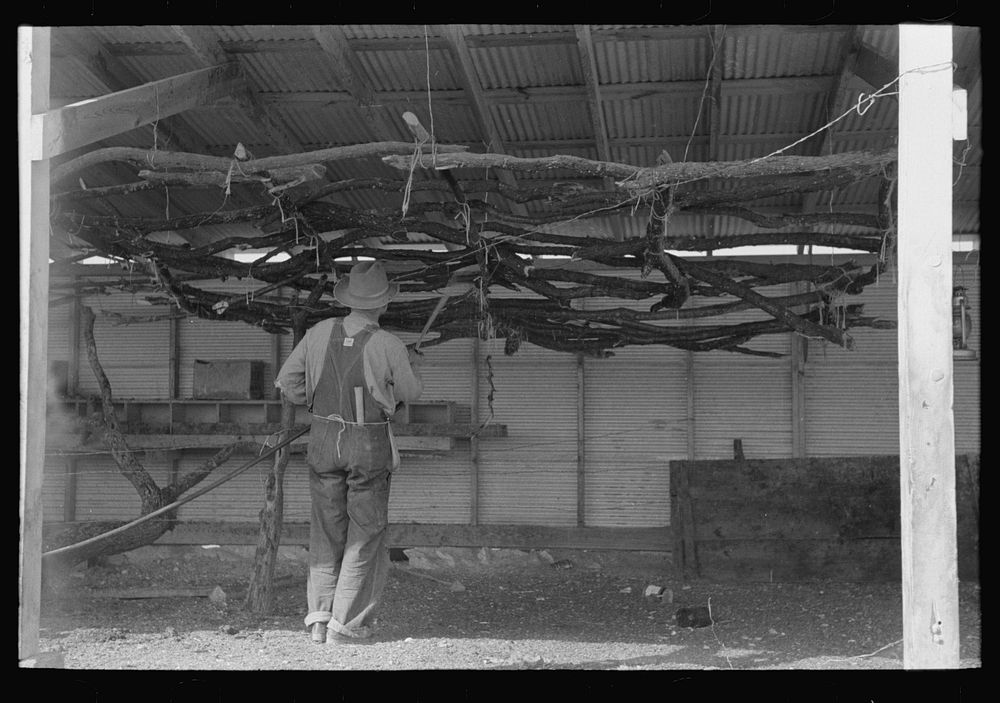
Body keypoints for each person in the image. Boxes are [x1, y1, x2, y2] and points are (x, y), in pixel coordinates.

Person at [275, 260, 423, 644]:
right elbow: (411, 394)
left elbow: (288, 382)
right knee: (365, 533)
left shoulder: (318, 332)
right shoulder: (388, 343)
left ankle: (319, 621)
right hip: (367, 442)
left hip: (323, 439)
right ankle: (346, 624)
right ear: (384, 303)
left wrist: (315, 403)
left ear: (349, 298)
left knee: (325, 529)